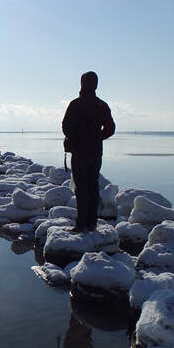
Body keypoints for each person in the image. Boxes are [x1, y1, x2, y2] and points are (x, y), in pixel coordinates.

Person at [62, 71, 115, 232]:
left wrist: (76, 138)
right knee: (92, 187)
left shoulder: (75, 104)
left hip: (80, 153)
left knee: (82, 189)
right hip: (95, 152)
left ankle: (81, 224)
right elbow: (110, 129)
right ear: (96, 85)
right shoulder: (101, 105)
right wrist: (97, 138)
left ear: (82, 84)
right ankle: (91, 223)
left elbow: (65, 126)